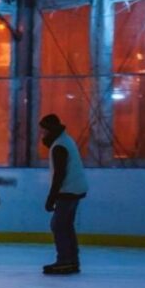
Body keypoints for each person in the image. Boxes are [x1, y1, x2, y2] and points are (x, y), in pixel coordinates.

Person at [39, 114, 88, 275]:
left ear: (50, 130)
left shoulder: (59, 146)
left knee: (58, 225)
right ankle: (72, 260)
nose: (42, 134)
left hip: (68, 190)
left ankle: (65, 260)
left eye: (44, 130)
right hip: (75, 188)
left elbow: (59, 174)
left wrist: (51, 198)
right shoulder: (65, 140)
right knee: (66, 225)